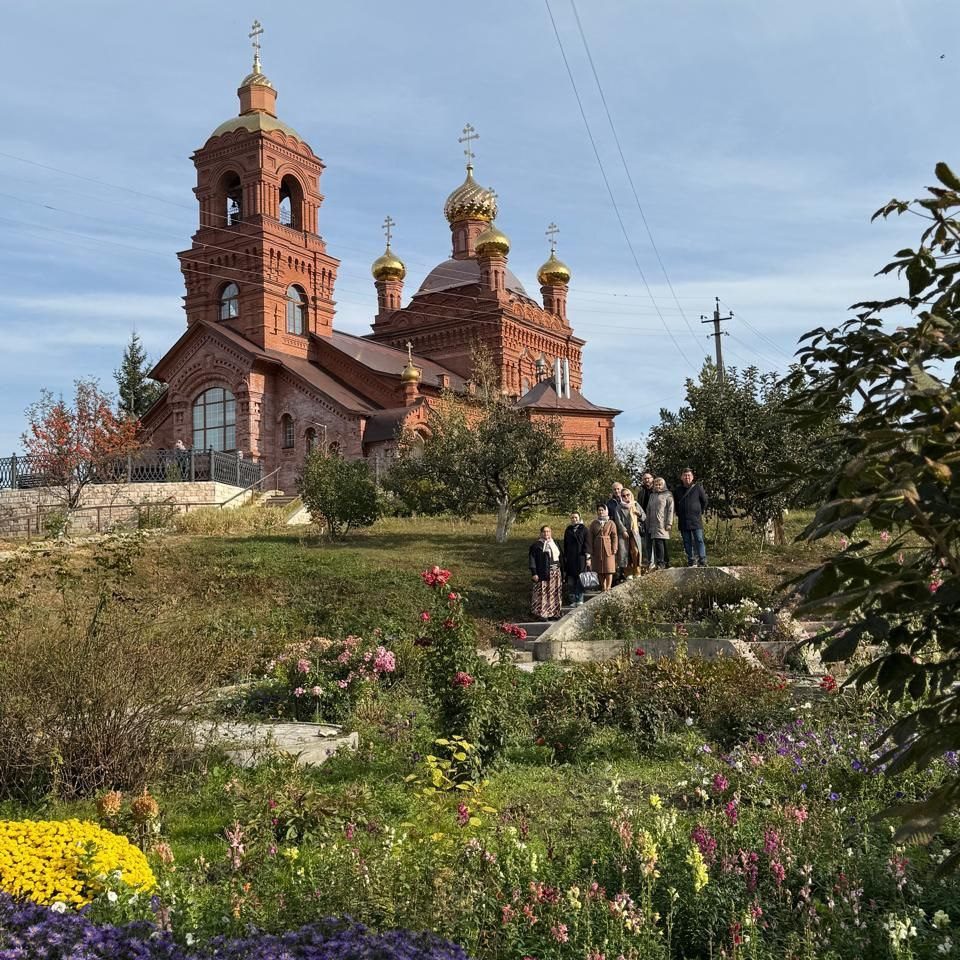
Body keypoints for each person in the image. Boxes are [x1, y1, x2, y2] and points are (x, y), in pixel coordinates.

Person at [673, 467, 709, 566]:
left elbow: (704, 501)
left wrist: (699, 511)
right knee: (686, 541)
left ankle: (702, 559)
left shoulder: (698, 488)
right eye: (685, 476)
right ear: (681, 477)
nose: (687, 477)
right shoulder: (678, 490)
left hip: (696, 519)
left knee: (699, 539)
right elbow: (675, 503)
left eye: (689, 475)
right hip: (683, 519)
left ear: (692, 477)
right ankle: (691, 559)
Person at [529, 525, 564, 620]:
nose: (546, 533)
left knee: (554, 593)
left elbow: (561, 558)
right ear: (541, 533)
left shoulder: (555, 543)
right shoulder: (536, 545)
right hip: (543, 572)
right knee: (543, 593)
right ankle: (542, 614)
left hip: (556, 572)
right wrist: (534, 573)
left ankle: (554, 613)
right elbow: (532, 560)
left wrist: (563, 572)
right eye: (544, 532)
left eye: (548, 531)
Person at [588, 504, 619, 592]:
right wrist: (590, 550)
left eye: (602, 510)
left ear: (606, 511)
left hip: (608, 547)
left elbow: (614, 536)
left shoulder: (611, 523)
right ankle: (603, 586)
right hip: (597, 548)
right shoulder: (594, 523)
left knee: (609, 568)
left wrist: (614, 547)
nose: (601, 512)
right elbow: (590, 537)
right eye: (599, 510)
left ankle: (609, 586)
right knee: (599, 569)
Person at [645, 477, 675, 569]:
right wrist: (648, 522)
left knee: (659, 542)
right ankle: (666, 561)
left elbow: (670, 509)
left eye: (660, 484)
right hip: (653, 523)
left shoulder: (668, 495)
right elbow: (648, 509)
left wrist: (669, 523)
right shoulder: (652, 495)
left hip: (662, 522)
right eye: (656, 484)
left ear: (663, 485)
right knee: (659, 542)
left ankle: (661, 562)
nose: (658, 486)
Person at [562, 512, 590, 606]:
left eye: (576, 517)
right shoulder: (568, 529)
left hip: (580, 557)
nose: (574, 519)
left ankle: (580, 598)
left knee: (579, 578)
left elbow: (587, 543)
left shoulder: (584, 529)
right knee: (571, 580)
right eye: (572, 518)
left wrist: (587, 556)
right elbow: (565, 544)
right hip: (570, 557)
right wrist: (565, 556)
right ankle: (573, 600)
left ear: (579, 518)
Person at [605, 482, 630, 584]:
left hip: (626, 529)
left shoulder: (627, 499)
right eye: (614, 489)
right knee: (616, 552)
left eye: (618, 489)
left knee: (625, 551)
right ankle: (617, 574)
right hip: (614, 530)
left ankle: (626, 573)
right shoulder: (609, 503)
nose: (617, 491)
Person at [619, 488, 646, 579]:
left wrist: (639, 514)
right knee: (625, 552)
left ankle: (637, 570)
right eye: (623, 496)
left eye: (628, 495)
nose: (626, 497)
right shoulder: (619, 507)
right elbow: (618, 520)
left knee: (635, 551)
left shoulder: (635, 504)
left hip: (635, 531)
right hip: (624, 533)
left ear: (631, 495)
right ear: (621, 497)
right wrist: (623, 530)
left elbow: (644, 517)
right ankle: (628, 572)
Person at [638, 472, 656, 570]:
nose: (647, 480)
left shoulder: (656, 490)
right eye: (645, 479)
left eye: (648, 478)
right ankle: (651, 562)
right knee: (647, 542)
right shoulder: (641, 492)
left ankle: (661, 562)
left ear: (652, 479)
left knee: (658, 541)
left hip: (656, 519)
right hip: (645, 519)